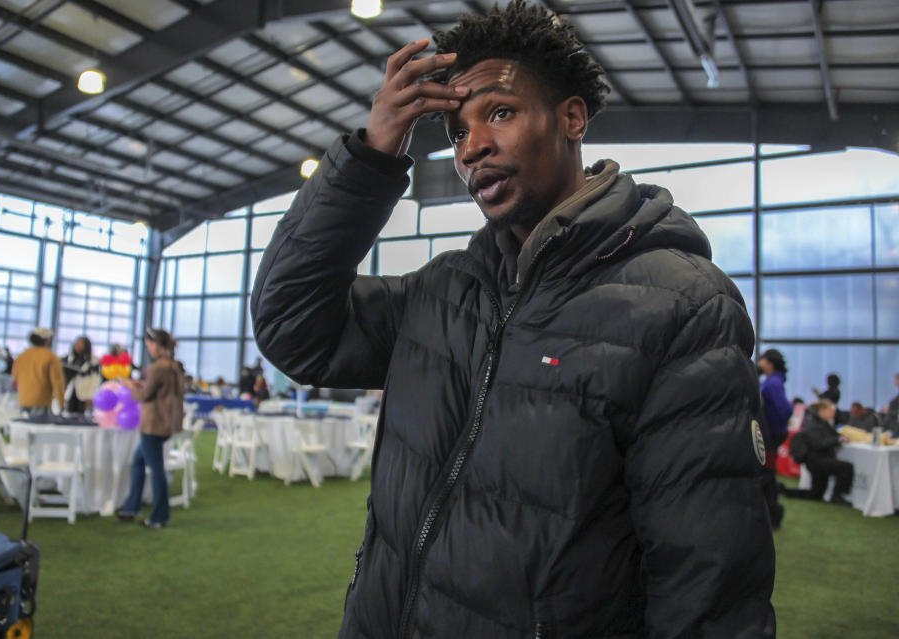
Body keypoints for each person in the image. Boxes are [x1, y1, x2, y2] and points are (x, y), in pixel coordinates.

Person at [251, 3, 775, 637]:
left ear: (572, 118)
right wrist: (372, 154)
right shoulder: (442, 290)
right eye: (456, 132)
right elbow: (291, 324)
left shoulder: (682, 306)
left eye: (500, 113)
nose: (473, 147)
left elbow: (707, 585)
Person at [117, 328, 184, 529]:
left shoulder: (157, 367)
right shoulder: (174, 366)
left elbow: (145, 396)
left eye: (149, 345)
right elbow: (162, 391)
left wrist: (130, 386)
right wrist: (143, 385)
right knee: (138, 462)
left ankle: (159, 516)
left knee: (156, 471)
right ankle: (132, 506)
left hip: (153, 424)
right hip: (167, 423)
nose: (149, 349)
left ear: (156, 345)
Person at [782, 400, 854, 505]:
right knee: (846, 468)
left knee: (816, 494)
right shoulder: (814, 425)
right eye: (830, 410)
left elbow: (833, 436)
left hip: (819, 460)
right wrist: (838, 440)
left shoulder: (823, 423)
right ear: (822, 410)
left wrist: (839, 438)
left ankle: (785, 491)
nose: (833, 412)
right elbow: (819, 443)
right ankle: (837, 496)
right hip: (817, 461)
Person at [758, 348, 792, 529]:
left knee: (767, 474)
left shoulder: (772, 384)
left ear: (769, 363)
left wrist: (773, 427)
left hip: (770, 434)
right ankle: (771, 513)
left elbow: (785, 410)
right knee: (767, 473)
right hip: (770, 433)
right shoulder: (773, 382)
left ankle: (773, 513)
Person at [12, 328, 65, 417]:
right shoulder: (50, 356)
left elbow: (15, 377)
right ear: (46, 340)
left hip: (23, 399)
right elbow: (57, 381)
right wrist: (61, 402)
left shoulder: (22, 356)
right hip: (41, 401)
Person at [62, 336, 101, 414]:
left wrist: (91, 397)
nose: (78, 345)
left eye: (81, 343)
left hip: (85, 394)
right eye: (77, 343)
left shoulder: (94, 361)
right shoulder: (69, 359)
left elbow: (95, 380)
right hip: (70, 393)